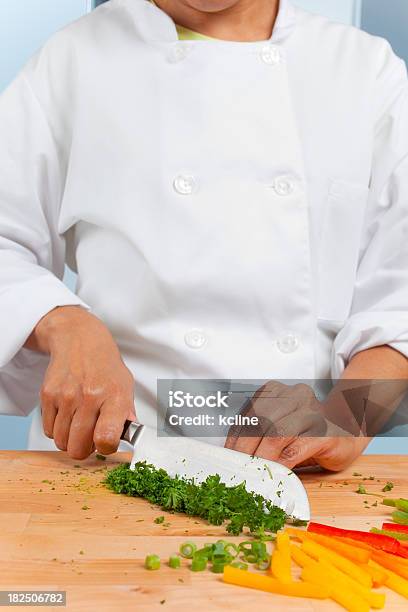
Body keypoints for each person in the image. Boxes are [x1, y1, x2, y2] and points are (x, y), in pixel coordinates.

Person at [0, 0, 407, 469]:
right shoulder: (73, 59)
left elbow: (401, 296)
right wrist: (66, 325)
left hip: (301, 473)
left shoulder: (364, 69)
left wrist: (345, 419)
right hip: (115, 453)